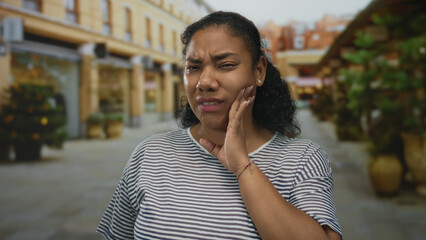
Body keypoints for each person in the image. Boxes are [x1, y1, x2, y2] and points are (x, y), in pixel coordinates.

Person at [97, 11, 342, 240]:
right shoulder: (150, 153)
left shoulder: (302, 159)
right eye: (193, 67)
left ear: (258, 70)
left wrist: (242, 166)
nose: (204, 82)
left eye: (225, 65)